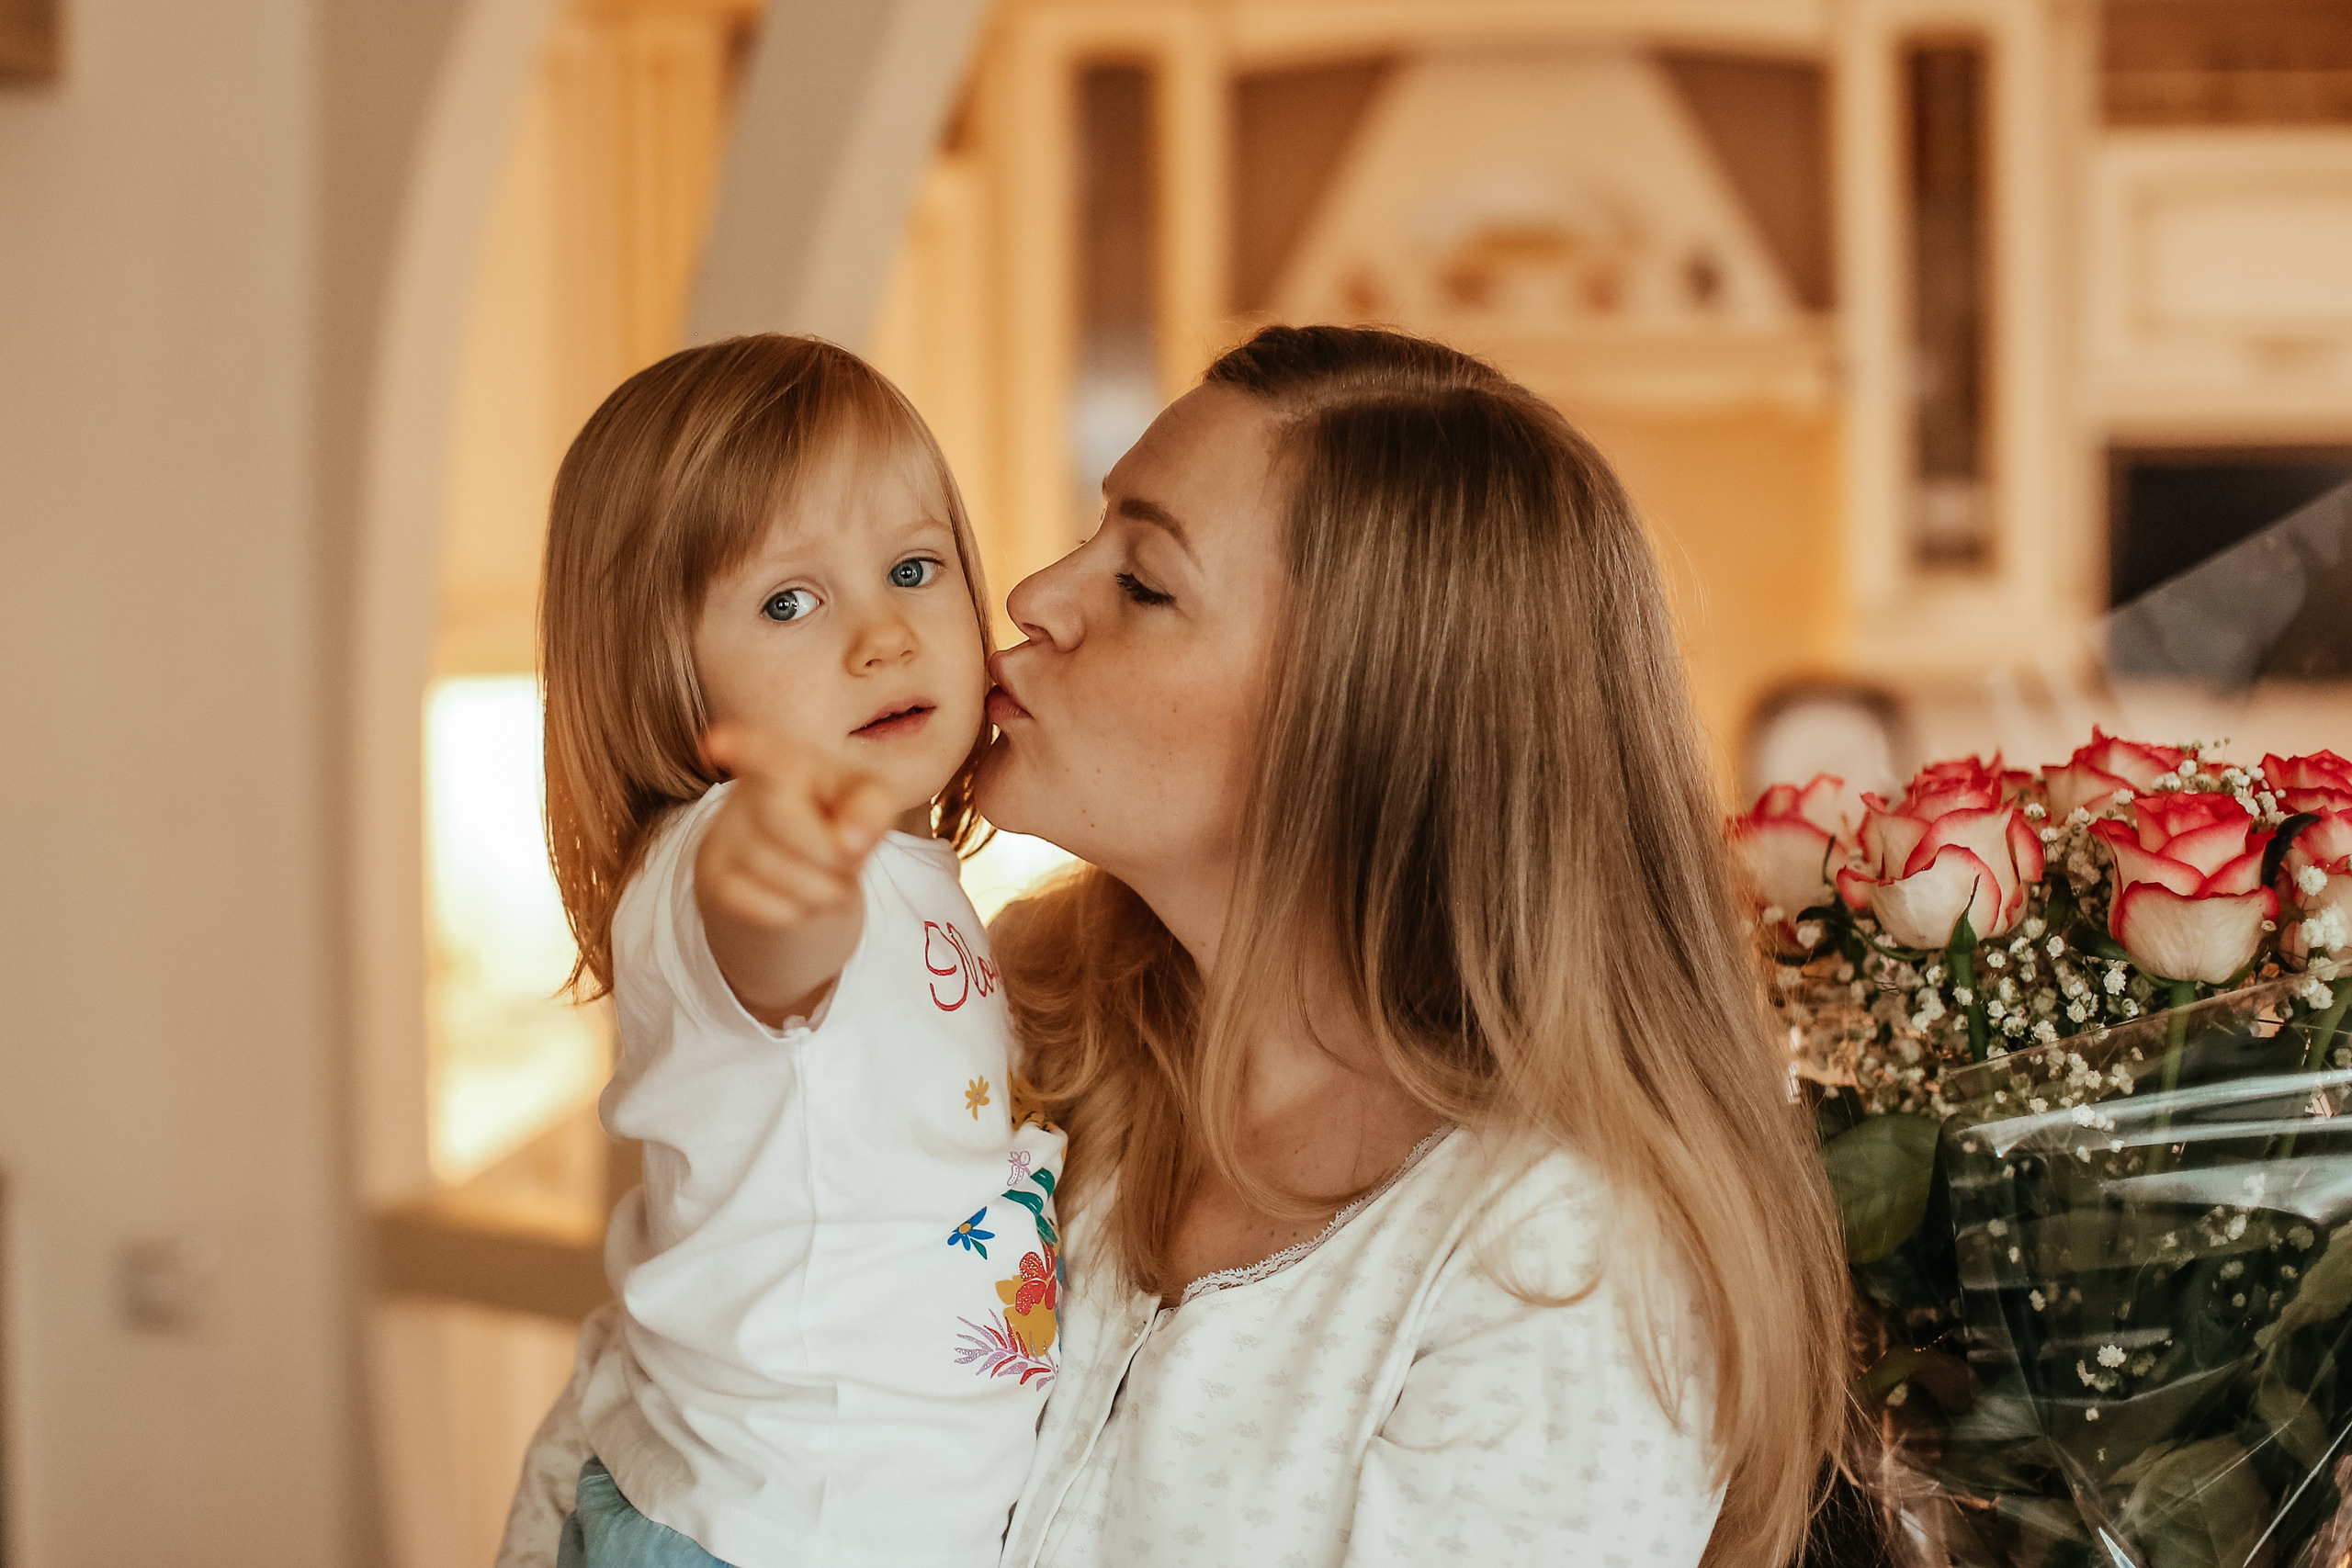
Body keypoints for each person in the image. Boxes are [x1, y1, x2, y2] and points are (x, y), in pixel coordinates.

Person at [976, 324, 1849, 1565]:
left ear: (1356, 724)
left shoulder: (1565, 1265)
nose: (1035, 598)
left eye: (1145, 583)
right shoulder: (1010, 1016)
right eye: (1092, 533)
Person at [502, 334, 1067, 1568]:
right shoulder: (728, 858)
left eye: (913, 569)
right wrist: (782, 874)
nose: (883, 636)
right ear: (661, 668)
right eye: (789, 603)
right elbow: (773, 953)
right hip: (775, 1531)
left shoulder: (908, 865)